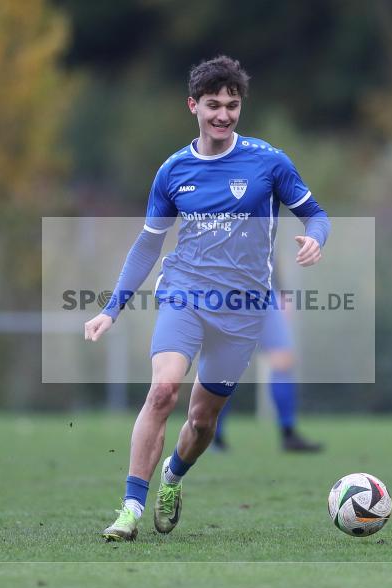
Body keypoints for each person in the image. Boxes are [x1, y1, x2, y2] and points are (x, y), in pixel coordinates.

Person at [84, 56, 330, 541]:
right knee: (163, 391)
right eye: (213, 105)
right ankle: (130, 510)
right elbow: (148, 244)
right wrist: (112, 308)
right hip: (185, 295)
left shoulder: (269, 162)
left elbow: (315, 214)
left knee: (201, 421)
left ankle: (173, 476)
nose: (223, 115)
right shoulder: (173, 170)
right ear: (192, 106)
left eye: (232, 105)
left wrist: (316, 239)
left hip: (243, 310)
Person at [212, 289, 322, 453]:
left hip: (265, 296)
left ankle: (288, 434)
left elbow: (273, 269)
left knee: (283, 361)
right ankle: (213, 436)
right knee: (226, 369)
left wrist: (282, 294)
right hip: (229, 295)